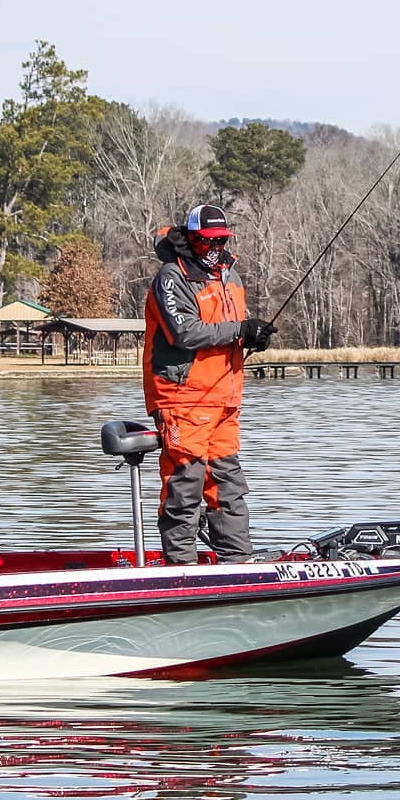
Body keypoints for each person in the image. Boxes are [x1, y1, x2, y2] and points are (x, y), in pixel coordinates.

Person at [143, 203, 275, 564]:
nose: (214, 248)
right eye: (206, 242)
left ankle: (237, 563)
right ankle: (181, 568)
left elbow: (227, 329)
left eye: (220, 240)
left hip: (224, 398)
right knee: (185, 484)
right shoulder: (171, 277)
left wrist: (252, 336)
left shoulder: (229, 277)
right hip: (183, 399)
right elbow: (183, 332)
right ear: (189, 240)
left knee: (228, 487)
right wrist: (240, 330)